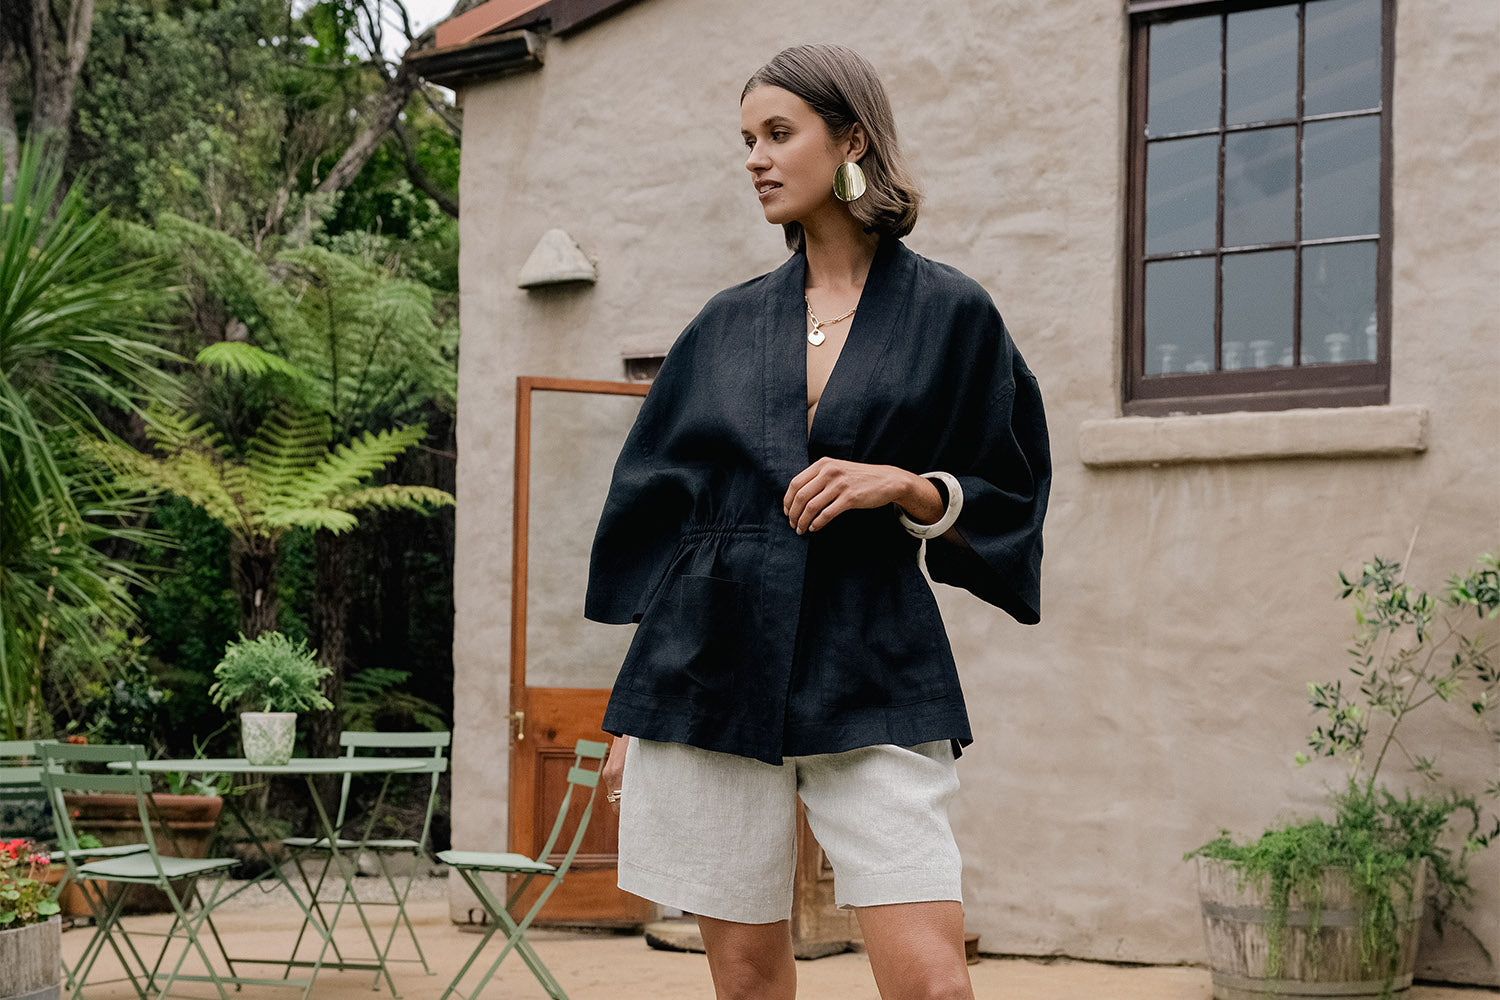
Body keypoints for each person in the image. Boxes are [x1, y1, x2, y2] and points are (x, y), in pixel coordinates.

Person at [585, 43, 1050, 1000]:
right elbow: (661, 511)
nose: (755, 157)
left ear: (851, 141)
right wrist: (637, 712)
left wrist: (908, 486)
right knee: (749, 984)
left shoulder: (951, 313)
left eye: (778, 134)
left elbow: (1009, 480)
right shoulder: (724, 324)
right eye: (746, 139)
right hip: (707, 668)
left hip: (871, 656)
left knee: (934, 985)